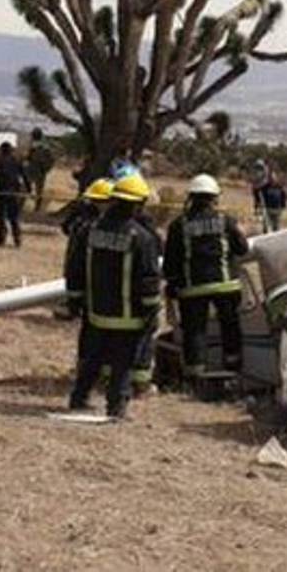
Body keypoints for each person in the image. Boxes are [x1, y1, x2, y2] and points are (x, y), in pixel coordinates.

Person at [68, 174, 162, 419]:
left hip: (96, 312)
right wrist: (151, 312)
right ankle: (116, 407)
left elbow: (74, 268)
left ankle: (78, 398)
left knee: (92, 358)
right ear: (138, 204)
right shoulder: (142, 238)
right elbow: (149, 280)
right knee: (122, 363)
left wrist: (75, 300)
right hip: (128, 316)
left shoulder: (89, 230)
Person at [162, 174, 250, 392]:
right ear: (214, 198)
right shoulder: (225, 221)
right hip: (226, 286)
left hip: (193, 288)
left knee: (195, 331)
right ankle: (233, 370)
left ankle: (195, 378)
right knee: (230, 327)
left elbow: (171, 260)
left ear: (191, 197)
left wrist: (172, 284)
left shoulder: (178, 225)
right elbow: (242, 249)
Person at [60, 178, 114, 321]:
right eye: (96, 200)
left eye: (102, 201)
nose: (99, 204)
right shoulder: (82, 212)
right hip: (79, 253)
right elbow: (65, 227)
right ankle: (74, 306)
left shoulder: (117, 220)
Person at [0, 142, 31, 248]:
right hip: (14, 193)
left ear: (1, 150)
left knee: (1, 217)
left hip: (2, 192)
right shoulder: (17, 161)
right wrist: (28, 190)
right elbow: (25, 176)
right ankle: (17, 241)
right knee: (14, 218)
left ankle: (1, 240)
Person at [24, 128, 56, 212]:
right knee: (37, 189)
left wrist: (45, 168)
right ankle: (35, 207)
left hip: (35, 170)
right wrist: (46, 169)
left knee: (30, 188)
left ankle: (35, 207)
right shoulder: (43, 147)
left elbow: (27, 158)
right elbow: (51, 160)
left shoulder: (37, 147)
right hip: (37, 170)